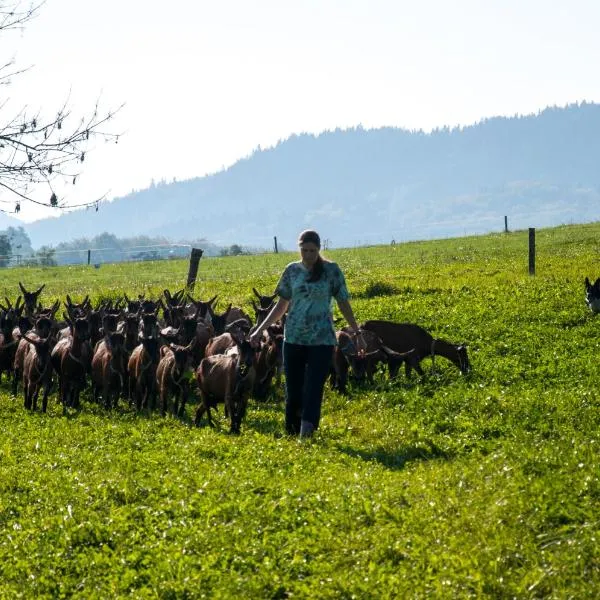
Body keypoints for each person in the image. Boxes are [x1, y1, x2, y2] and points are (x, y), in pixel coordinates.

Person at [249, 229, 365, 438]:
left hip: (322, 340)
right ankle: (291, 430)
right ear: (299, 248)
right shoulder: (292, 271)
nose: (308, 255)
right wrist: (260, 329)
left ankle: (307, 430)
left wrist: (356, 330)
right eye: (304, 250)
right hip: (293, 338)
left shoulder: (332, 271)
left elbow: (343, 302)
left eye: (312, 250)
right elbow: (281, 305)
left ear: (319, 249)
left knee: (313, 386)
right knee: (293, 389)